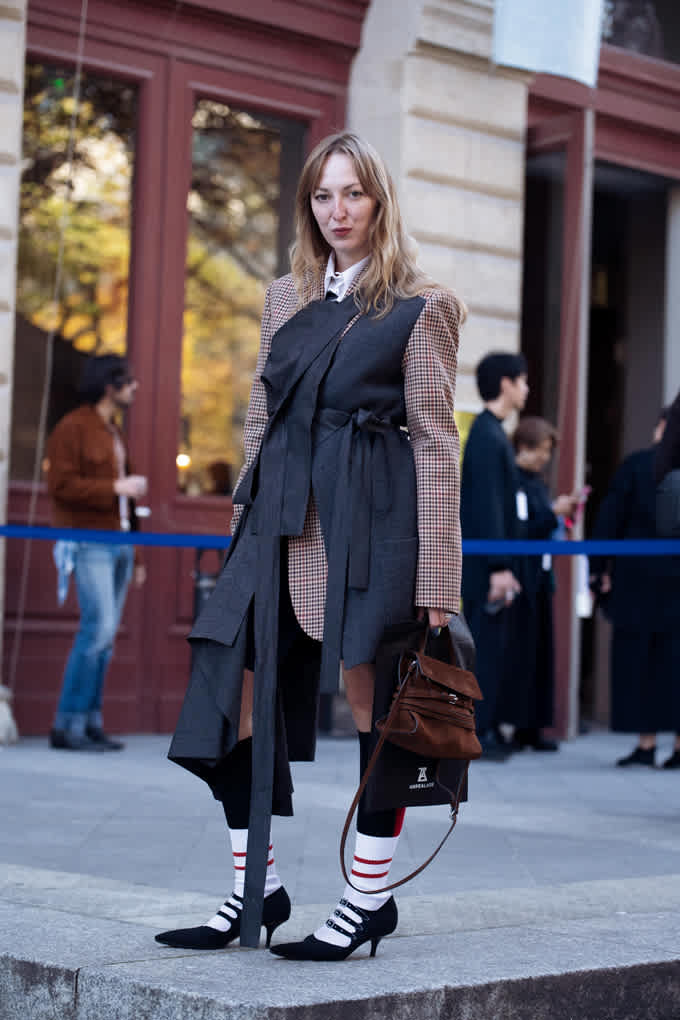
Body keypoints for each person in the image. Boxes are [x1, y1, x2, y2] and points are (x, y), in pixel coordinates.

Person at [158, 132, 464, 961]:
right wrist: (240, 529)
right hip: (273, 520)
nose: (338, 211)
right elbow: (260, 418)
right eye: (324, 196)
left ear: (380, 202)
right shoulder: (284, 297)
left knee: (374, 705)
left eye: (354, 194)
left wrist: (440, 577)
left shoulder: (421, 306)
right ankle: (256, 891)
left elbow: (436, 443)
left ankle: (366, 900)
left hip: (370, 521)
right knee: (231, 698)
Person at [46, 355, 147, 751]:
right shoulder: (73, 427)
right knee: (98, 630)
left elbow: (127, 508)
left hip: (118, 543)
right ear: (110, 385)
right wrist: (116, 489)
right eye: (129, 381)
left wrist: (136, 556)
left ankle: (89, 723)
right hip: (89, 541)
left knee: (105, 637)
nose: (135, 388)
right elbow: (61, 486)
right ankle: (65, 725)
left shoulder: (113, 432)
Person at [590, 406, 680, 769]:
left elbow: (609, 521)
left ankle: (646, 744)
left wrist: (599, 571)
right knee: (675, 663)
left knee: (645, 664)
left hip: (639, 582)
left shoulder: (638, 465)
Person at [459, 351, 528, 759]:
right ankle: (477, 731)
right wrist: (500, 566)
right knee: (483, 648)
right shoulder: (487, 436)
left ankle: (487, 728)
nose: (526, 388)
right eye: (522, 380)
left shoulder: (494, 433)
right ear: (505, 383)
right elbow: (487, 507)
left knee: (494, 647)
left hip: (495, 562)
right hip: (487, 566)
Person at [501, 417, 580, 752]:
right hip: (523, 577)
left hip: (541, 577)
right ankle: (517, 724)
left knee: (540, 653)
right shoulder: (514, 481)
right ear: (525, 446)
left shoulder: (536, 481)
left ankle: (532, 726)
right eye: (543, 449)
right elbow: (522, 529)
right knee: (521, 654)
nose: (546, 457)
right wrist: (553, 513)